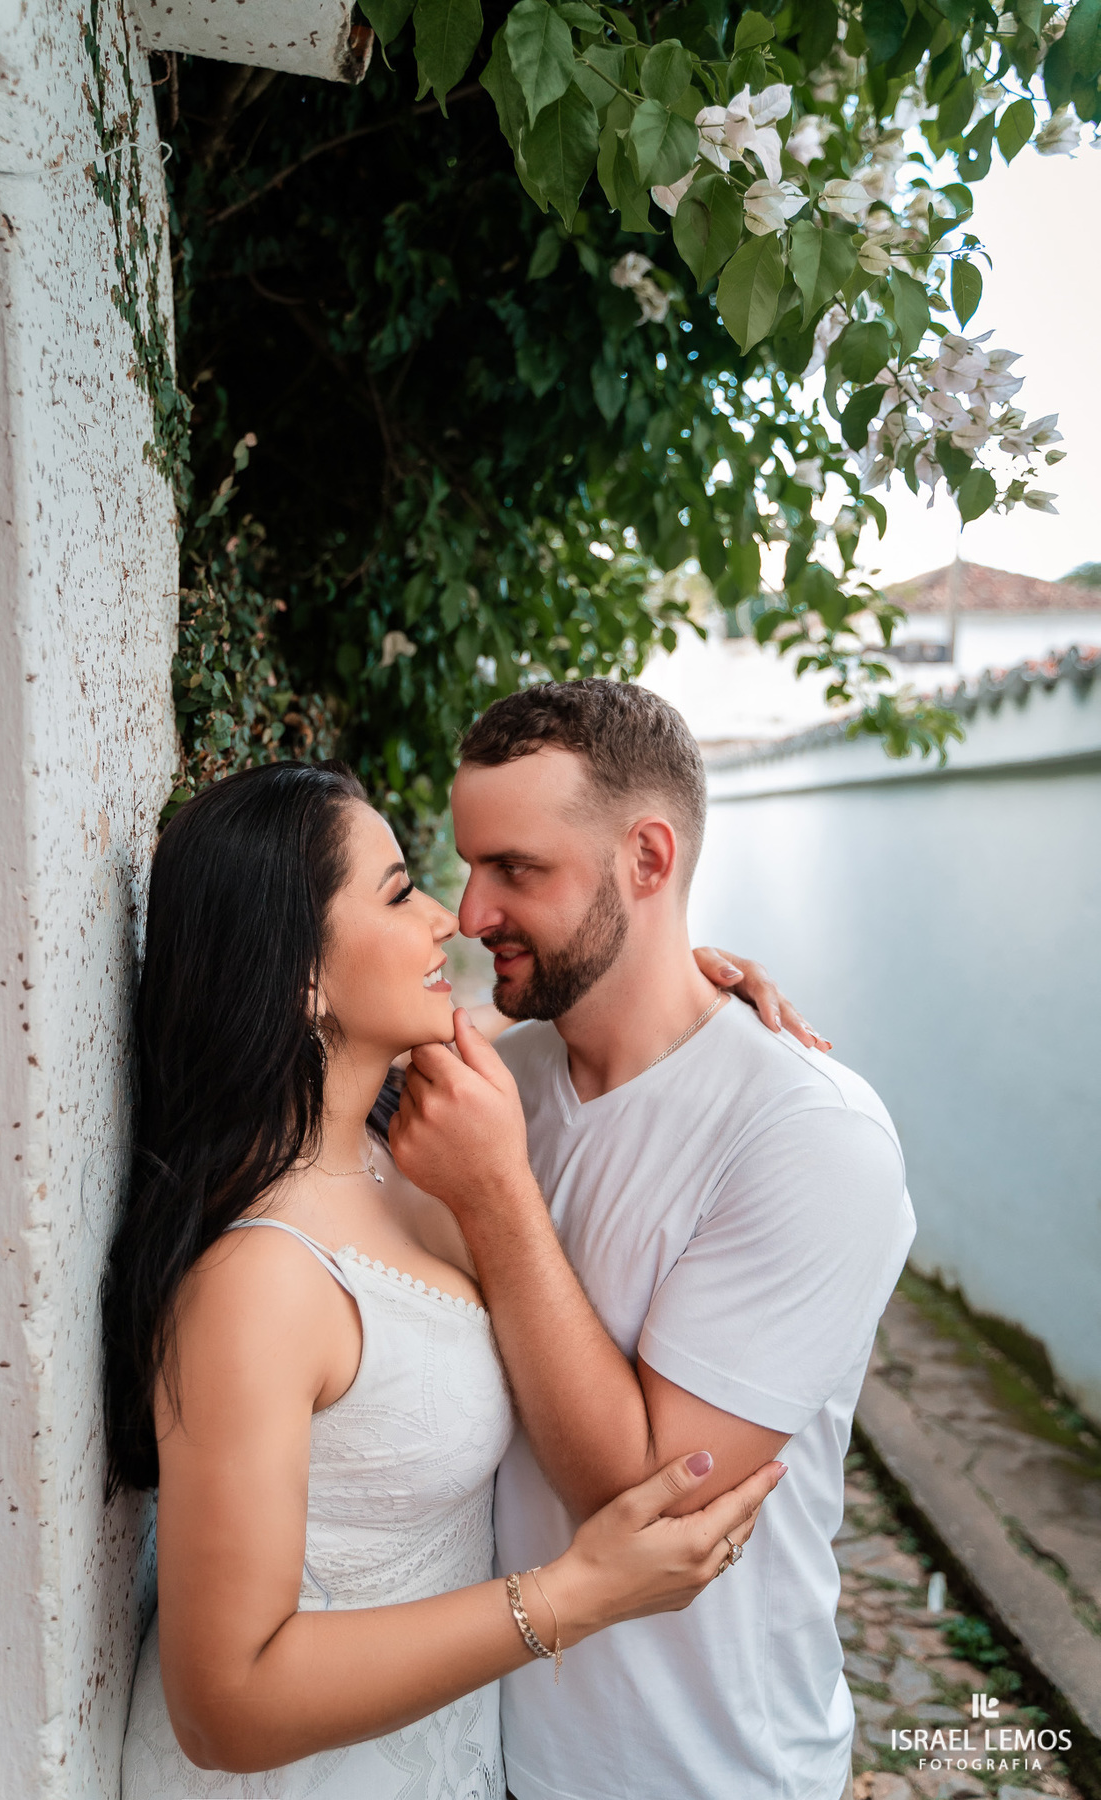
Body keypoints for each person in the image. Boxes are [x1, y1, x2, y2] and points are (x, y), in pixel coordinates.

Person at [104, 760, 787, 1800]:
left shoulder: (401, 1138)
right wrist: (571, 1597)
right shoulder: (260, 1282)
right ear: (301, 977)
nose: (448, 920)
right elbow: (222, 1705)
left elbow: (562, 1027)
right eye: (398, 894)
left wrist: (676, 989)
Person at [389, 680, 917, 1800]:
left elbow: (658, 1504)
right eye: (470, 865)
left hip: (707, 1772)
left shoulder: (808, 1135)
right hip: (489, 1751)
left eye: (516, 869)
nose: (471, 912)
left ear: (647, 858)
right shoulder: (496, 1084)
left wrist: (499, 1200)